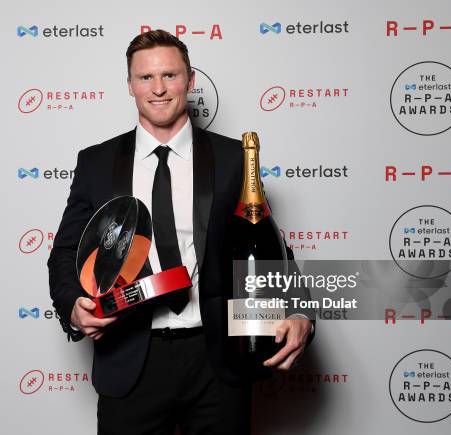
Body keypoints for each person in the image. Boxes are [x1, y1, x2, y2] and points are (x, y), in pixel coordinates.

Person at [48, 29, 314, 435]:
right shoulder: (96, 162)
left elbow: (268, 250)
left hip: (217, 361)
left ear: (190, 81)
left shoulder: (232, 158)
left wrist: (300, 312)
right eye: (145, 78)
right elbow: (65, 252)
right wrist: (71, 305)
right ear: (130, 85)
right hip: (130, 357)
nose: (158, 89)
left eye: (170, 76)